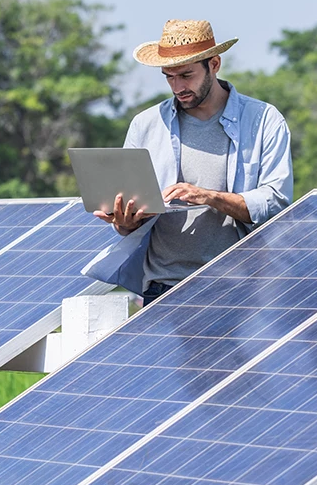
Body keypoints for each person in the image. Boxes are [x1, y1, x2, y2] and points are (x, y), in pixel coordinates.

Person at [85, 19, 293, 304]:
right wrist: (124, 221)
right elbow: (127, 225)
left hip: (240, 289)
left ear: (215, 64)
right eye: (169, 76)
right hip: (162, 288)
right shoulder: (145, 124)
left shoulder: (264, 120)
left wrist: (208, 196)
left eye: (186, 75)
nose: (177, 86)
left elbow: (276, 201)